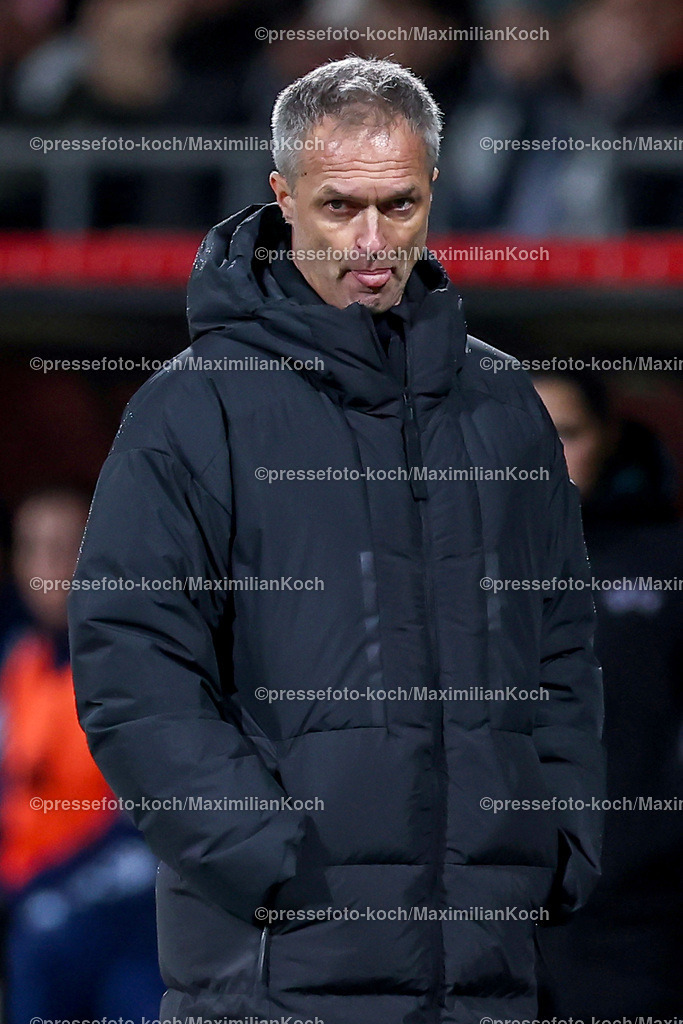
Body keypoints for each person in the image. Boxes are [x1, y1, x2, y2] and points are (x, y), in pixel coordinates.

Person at [68, 56, 605, 1024]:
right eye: (337, 207)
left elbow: (560, 641)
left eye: (398, 206)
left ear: (434, 189)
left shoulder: (502, 404)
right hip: (275, 970)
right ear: (281, 198)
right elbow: (131, 665)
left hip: (485, 968)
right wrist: (267, 860)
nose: (369, 242)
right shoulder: (193, 408)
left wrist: (556, 835)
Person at [533, 372, 683, 1017]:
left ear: (606, 439)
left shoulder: (664, 564)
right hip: (465, 913)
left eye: (564, 434)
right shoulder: (425, 567)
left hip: (636, 913)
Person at [0, 488, 164, 1022]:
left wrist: (34, 891)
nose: (47, 566)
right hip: (31, 903)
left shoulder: (136, 670)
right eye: (32, 548)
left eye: (65, 547)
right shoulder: (20, 665)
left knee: (47, 943)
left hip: (119, 912)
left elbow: (143, 832)